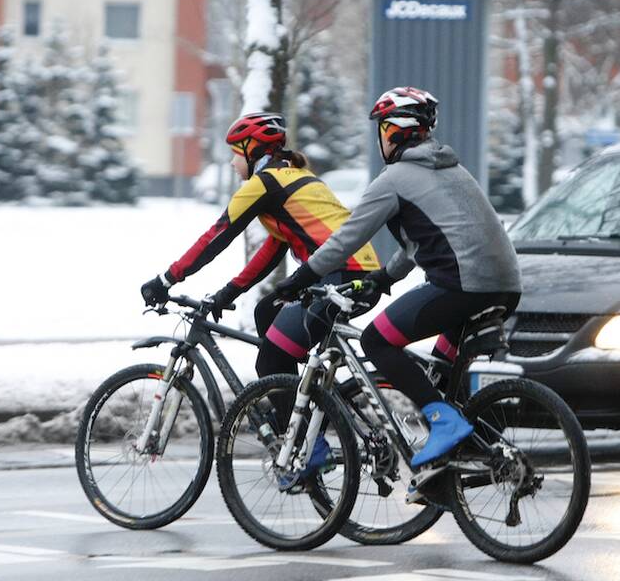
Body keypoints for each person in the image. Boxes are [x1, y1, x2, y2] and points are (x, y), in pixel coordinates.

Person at [274, 87, 522, 499]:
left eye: (382, 128)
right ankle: (460, 461)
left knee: (376, 339)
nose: (381, 137)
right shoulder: (454, 172)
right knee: (439, 375)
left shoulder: (395, 179)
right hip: (505, 285)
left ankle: (446, 425)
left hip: (461, 286)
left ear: (393, 132)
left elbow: (347, 239)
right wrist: (386, 278)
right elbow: (422, 243)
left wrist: (300, 278)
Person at [140, 112, 381, 484]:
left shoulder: (264, 183)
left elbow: (217, 236)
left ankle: (307, 447)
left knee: (271, 355)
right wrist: (228, 292)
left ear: (253, 151)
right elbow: (272, 250)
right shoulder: (295, 178)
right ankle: (303, 408)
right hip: (358, 274)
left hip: (340, 276)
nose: (234, 162)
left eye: (236, 153)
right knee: (269, 312)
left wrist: (167, 278)